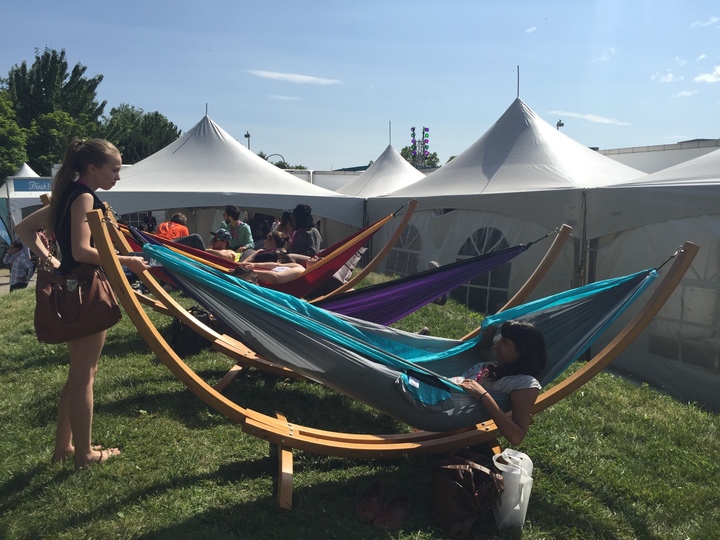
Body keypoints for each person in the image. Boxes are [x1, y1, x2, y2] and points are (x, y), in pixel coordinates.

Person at [14, 138, 150, 470]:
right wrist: (127, 260)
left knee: (79, 373)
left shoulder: (68, 194)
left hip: (72, 287)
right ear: (93, 167)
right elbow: (82, 250)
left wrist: (52, 261)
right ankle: (84, 454)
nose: (118, 176)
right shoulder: (85, 197)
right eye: (114, 169)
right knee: (84, 375)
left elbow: (23, 228)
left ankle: (64, 447)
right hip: (85, 289)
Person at [456, 320, 546, 446]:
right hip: (445, 390)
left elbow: (516, 437)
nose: (497, 344)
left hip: (447, 403)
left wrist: (484, 396)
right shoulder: (501, 364)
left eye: (505, 342)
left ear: (522, 352)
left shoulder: (525, 383)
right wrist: (489, 335)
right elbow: (481, 349)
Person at [233, 257, 321, 285]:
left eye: (319, 259)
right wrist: (255, 265)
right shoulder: (298, 266)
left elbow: (276, 278)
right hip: (256, 274)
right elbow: (277, 265)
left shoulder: (300, 270)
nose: (316, 256)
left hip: (258, 281)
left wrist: (247, 271)